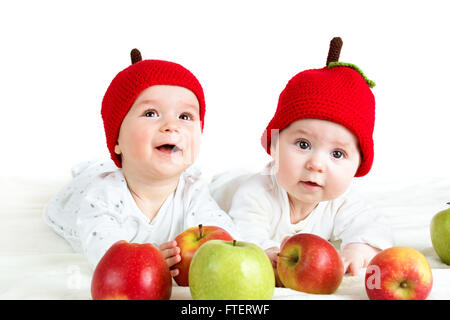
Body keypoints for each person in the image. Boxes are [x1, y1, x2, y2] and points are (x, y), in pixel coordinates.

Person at [211, 38, 393, 280]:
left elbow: (373, 225)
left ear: (357, 165)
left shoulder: (341, 202)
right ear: (274, 145)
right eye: (303, 144)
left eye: (337, 154)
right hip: (220, 189)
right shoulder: (255, 192)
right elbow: (243, 231)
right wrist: (269, 252)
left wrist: (358, 248)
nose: (316, 164)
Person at [43, 49, 239, 274]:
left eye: (185, 117)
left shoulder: (193, 191)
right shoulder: (101, 197)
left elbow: (224, 233)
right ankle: (87, 169)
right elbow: (105, 255)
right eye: (151, 113)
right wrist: (149, 262)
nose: (171, 125)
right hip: (84, 191)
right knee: (94, 173)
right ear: (117, 140)